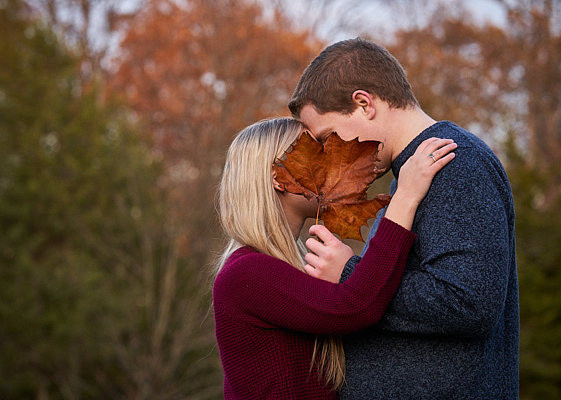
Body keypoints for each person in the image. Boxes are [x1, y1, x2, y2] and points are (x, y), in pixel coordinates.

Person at [288, 37, 518, 399]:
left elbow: (469, 301)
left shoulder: (454, 163)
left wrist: (349, 275)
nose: (329, 155)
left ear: (364, 104)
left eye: (327, 136)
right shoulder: (410, 175)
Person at [213, 117, 456, 399]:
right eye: (316, 151)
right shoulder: (245, 272)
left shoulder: (284, 268)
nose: (331, 161)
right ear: (278, 177)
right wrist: (405, 198)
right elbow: (356, 306)